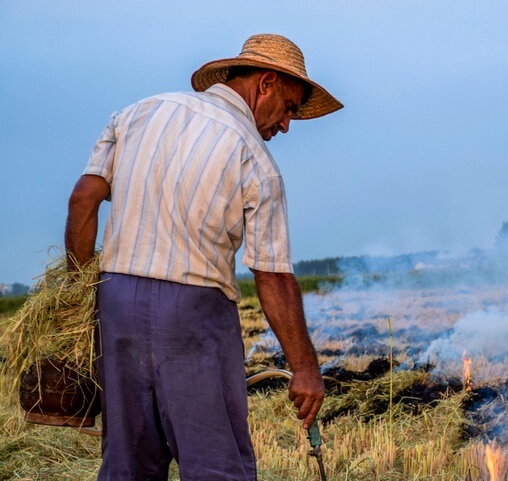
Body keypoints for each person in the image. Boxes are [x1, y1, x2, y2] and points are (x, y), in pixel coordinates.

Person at [64, 33, 342, 480]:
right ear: (265, 84)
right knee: (216, 465)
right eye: (289, 108)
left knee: (128, 464)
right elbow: (272, 277)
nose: (287, 125)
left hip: (116, 305)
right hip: (193, 315)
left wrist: (80, 295)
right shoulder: (255, 159)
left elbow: (83, 199)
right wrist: (305, 370)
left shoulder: (138, 114)